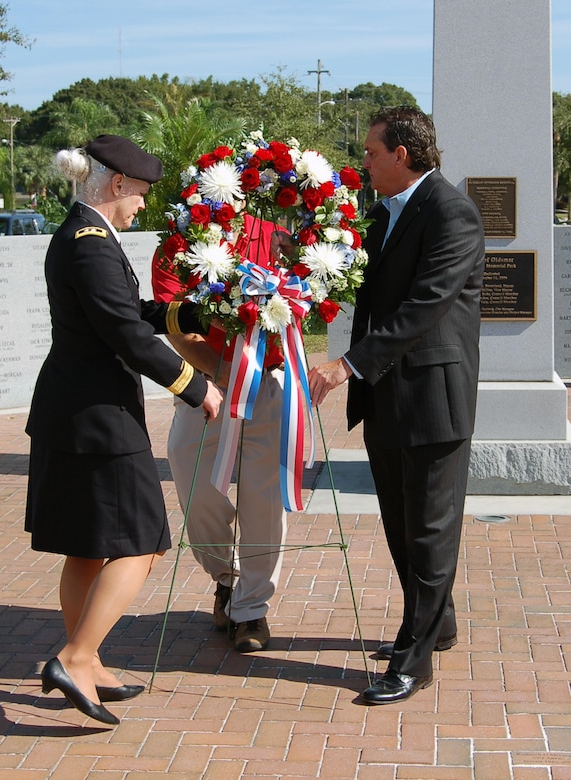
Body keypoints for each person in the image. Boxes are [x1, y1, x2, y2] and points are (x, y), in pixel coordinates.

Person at [25, 134, 223, 726]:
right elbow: (123, 336)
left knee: (88, 547)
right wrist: (194, 383)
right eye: (139, 193)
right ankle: (76, 656)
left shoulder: (84, 234)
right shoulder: (88, 245)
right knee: (143, 541)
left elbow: (124, 310)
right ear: (116, 185)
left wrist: (181, 313)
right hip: (100, 420)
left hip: (76, 413)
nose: (141, 205)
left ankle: (90, 663)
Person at [308, 106, 485, 705]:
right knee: (400, 526)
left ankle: (415, 659)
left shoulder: (451, 213)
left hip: (433, 400)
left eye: (371, 152)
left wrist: (343, 365)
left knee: (430, 531)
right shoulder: (383, 215)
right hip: (386, 399)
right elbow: (370, 290)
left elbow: (423, 306)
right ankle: (439, 624)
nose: (364, 162)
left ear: (401, 155)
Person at [152, 213, 289, 652]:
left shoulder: (275, 234)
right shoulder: (178, 243)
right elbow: (176, 326)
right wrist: (223, 370)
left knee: (262, 495)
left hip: (270, 379)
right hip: (206, 385)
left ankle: (251, 610)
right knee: (189, 471)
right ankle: (226, 577)